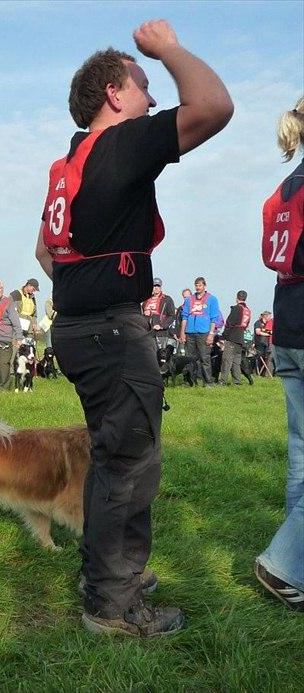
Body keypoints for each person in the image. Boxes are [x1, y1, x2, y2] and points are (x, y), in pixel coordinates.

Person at [35, 20, 232, 636]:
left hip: (76, 328)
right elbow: (214, 106)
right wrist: (167, 49)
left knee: (110, 458)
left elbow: (44, 254)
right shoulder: (120, 145)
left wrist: (85, 289)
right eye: (143, 86)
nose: (152, 97)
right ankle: (114, 606)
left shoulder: (69, 162)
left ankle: (108, 576)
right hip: (110, 335)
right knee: (130, 466)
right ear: (115, 95)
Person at [254, 98, 304, 611]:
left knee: (301, 450)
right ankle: (285, 563)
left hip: (288, 320)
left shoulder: (282, 189)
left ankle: (296, 566)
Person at [179, 277, 221, 386]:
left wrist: (211, 334)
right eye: (196, 285)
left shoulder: (212, 299)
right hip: (190, 332)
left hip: (204, 332)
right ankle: (189, 381)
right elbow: (184, 317)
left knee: (204, 357)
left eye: (200, 285)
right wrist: (182, 332)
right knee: (189, 359)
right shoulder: (189, 299)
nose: (198, 287)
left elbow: (214, 318)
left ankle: (208, 382)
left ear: (204, 286)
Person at [219, 290, 252, 385]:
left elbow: (229, 323)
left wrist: (223, 336)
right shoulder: (248, 310)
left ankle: (223, 381)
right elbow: (246, 325)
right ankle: (237, 381)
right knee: (236, 362)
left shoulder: (236, 308)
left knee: (227, 360)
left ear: (237, 298)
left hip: (232, 337)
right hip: (241, 337)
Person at [142, 277, 176, 353]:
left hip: (161, 333)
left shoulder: (167, 299)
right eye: (154, 286)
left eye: (158, 286)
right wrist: (144, 314)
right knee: (148, 355)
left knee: (160, 355)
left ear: (161, 287)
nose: (156, 288)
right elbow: (141, 314)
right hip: (147, 332)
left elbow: (172, 316)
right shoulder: (146, 300)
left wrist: (161, 326)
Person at [254, 311, 273, 375]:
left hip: (266, 343)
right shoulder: (258, 323)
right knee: (259, 358)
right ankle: (257, 373)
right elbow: (258, 332)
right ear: (266, 316)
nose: (270, 318)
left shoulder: (267, 324)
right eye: (270, 316)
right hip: (259, 342)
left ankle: (263, 373)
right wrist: (268, 334)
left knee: (266, 358)